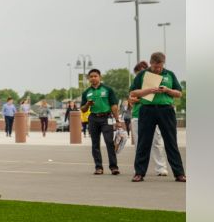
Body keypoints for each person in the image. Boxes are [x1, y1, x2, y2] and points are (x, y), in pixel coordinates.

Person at [127, 52, 186, 182]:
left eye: (160, 67)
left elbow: (179, 93)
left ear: (163, 63)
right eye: (155, 67)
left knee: (171, 142)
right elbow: (133, 92)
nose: (157, 69)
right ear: (151, 63)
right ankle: (139, 173)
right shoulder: (143, 75)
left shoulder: (169, 74)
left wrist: (167, 90)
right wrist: (148, 90)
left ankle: (179, 173)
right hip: (147, 110)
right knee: (143, 142)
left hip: (166, 110)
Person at [126, 61, 168, 176]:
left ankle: (161, 168)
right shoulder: (136, 83)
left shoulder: (155, 80)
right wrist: (132, 99)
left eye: (140, 72)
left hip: (152, 115)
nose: (139, 75)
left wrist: (139, 97)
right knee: (139, 144)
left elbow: (153, 97)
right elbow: (131, 98)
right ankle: (138, 169)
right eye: (137, 73)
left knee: (156, 141)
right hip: (136, 115)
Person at [79, 69, 121, 175]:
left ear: (100, 77)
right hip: (93, 118)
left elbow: (114, 105)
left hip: (106, 118)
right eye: (91, 76)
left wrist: (117, 120)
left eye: (95, 76)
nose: (93, 78)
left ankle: (113, 167)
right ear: (88, 79)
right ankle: (98, 167)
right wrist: (88, 104)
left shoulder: (108, 90)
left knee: (109, 142)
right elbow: (83, 109)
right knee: (95, 143)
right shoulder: (86, 92)